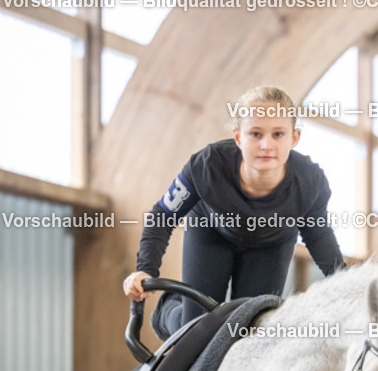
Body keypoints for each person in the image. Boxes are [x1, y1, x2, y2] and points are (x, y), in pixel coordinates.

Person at [123, 85, 345, 336]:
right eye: (255, 134)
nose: (266, 145)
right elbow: (163, 215)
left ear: (294, 138)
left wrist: (350, 283)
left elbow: (319, 238)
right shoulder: (207, 165)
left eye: (278, 135)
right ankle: (170, 310)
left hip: (271, 244)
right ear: (238, 137)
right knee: (198, 333)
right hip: (211, 232)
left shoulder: (310, 182)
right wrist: (146, 268)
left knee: (250, 333)